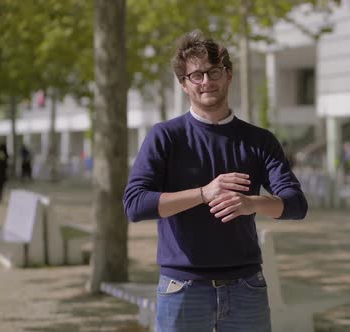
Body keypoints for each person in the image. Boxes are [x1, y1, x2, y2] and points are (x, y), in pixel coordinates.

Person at [123, 30, 308, 332]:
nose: (206, 81)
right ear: (184, 84)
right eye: (196, 75)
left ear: (229, 75)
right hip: (182, 287)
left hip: (247, 288)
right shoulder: (165, 136)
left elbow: (297, 205)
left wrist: (251, 203)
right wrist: (203, 193)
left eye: (214, 71)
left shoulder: (260, 141)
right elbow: (134, 205)